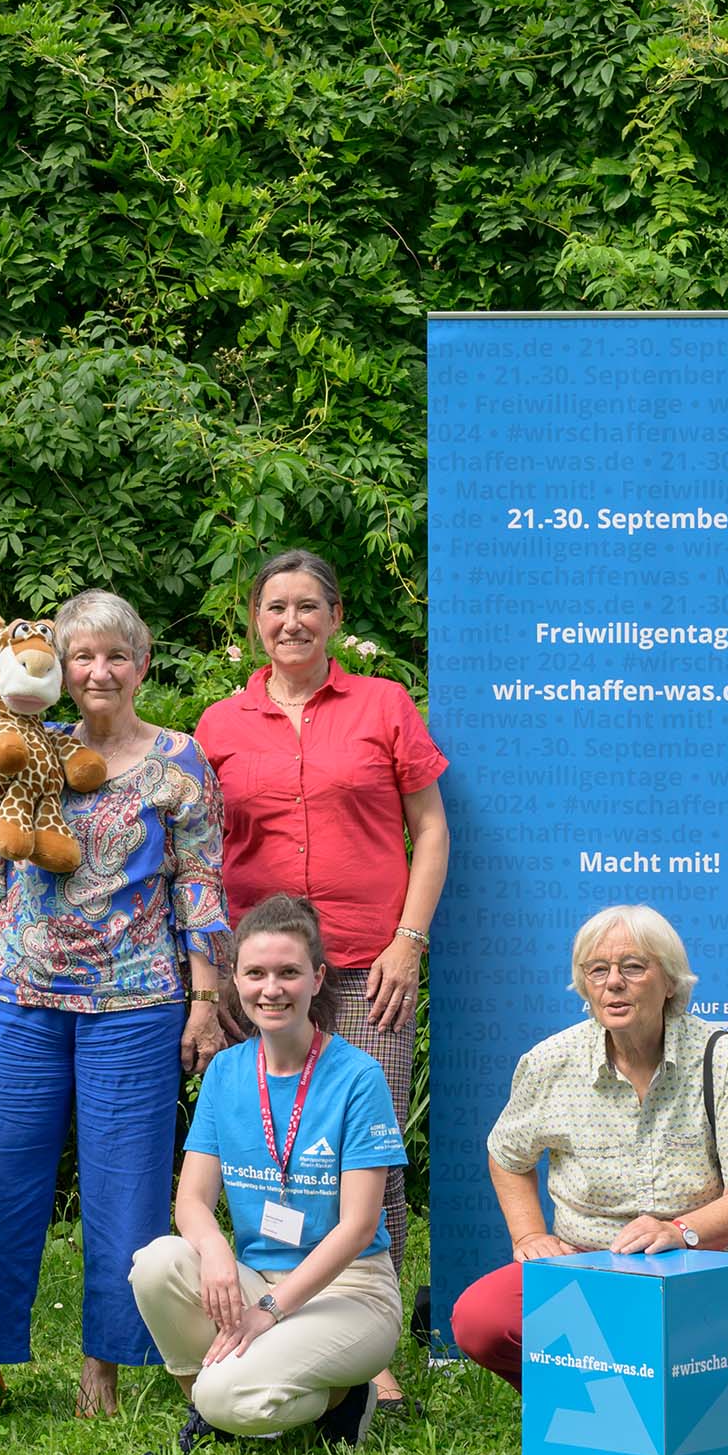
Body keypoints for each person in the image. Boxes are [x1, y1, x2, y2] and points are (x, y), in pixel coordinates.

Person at [0, 588, 230, 1424]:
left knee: (125, 1192)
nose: (99, 671)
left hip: (139, 1001)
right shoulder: (31, 745)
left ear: (142, 664)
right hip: (20, 992)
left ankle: (106, 1371)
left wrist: (206, 999)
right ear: (60, 665)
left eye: (115, 656)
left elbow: (200, 883)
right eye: (80, 655)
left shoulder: (181, 762)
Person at [191, 548, 447, 1409]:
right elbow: (197, 852)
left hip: (371, 961)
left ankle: (368, 1340)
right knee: (268, 1150)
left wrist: (409, 940)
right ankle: (267, 1305)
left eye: (308, 606)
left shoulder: (383, 704)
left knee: (370, 1159)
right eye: (274, 608)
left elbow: (431, 828)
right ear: (254, 623)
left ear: (336, 618)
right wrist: (213, 971)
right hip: (259, 973)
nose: (291, 622)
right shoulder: (218, 724)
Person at [453, 904, 728, 1385]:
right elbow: (507, 1156)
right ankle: (588, 1398)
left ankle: (690, 1411)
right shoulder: (550, 1062)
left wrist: (681, 1230)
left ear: (670, 981)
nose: (613, 983)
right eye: (597, 969)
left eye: (633, 966)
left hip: (702, 1259)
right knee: (481, 1320)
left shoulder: (722, 1057)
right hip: (587, 1263)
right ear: (584, 984)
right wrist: (528, 1236)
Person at [132, 895, 403, 1450]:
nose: (271, 989)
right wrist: (214, 1253)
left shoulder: (358, 1077)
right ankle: (208, 1405)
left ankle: (344, 1394)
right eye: (255, 973)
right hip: (259, 1276)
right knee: (156, 1264)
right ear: (235, 977)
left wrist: (269, 1312)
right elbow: (191, 1203)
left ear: (317, 978)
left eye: (288, 972)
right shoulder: (227, 1071)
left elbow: (357, 1226)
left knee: (228, 1394)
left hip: (350, 1290)